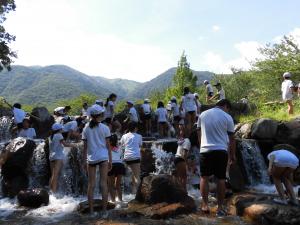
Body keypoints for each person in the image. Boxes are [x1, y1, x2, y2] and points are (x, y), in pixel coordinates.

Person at [197, 99, 236, 217]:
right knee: (221, 179)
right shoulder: (227, 117)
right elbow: (232, 139)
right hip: (221, 150)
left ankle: (204, 205)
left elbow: (198, 131)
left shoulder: (203, 114)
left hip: (205, 150)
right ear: (225, 106)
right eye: (228, 108)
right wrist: (233, 155)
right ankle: (220, 207)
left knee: (204, 177)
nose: (228, 110)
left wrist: (201, 145)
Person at [82, 105, 112, 217]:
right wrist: (111, 161)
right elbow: (108, 146)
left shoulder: (86, 128)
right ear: (99, 115)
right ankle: (104, 211)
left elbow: (85, 148)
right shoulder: (105, 128)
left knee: (91, 185)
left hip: (91, 159)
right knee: (103, 184)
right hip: (103, 157)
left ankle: (91, 211)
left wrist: (83, 161)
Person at [49, 123, 75, 193]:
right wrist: (75, 145)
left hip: (51, 156)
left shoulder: (51, 136)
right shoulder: (59, 135)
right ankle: (54, 192)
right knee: (56, 175)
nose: (62, 129)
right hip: (58, 156)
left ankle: (51, 191)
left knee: (53, 175)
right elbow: (65, 144)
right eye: (61, 128)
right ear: (59, 129)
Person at [120, 121, 142, 194]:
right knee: (137, 176)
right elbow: (139, 145)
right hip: (135, 157)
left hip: (126, 158)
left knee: (133, 174)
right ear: (135, 128)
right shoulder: (139, 136)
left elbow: (121, 145)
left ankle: (133, 191)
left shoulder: (124, 136)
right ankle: (137, 194)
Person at [107, 134, 126, 207]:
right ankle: (120, 201)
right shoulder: (119, 148)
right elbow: (121, 157)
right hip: (120, 165)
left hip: (112, 165)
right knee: (118, 185)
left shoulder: (107, 148)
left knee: (111, 185)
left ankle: (113, 201)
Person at [174, 123, 191, 191]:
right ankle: (184, 192)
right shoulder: (187, 141)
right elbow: (184, 154)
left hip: (176, 159)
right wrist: (187, 164)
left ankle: (179, 191)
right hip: (180, 159)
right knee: (184, 177)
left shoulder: (181, 141)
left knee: (180, 177)